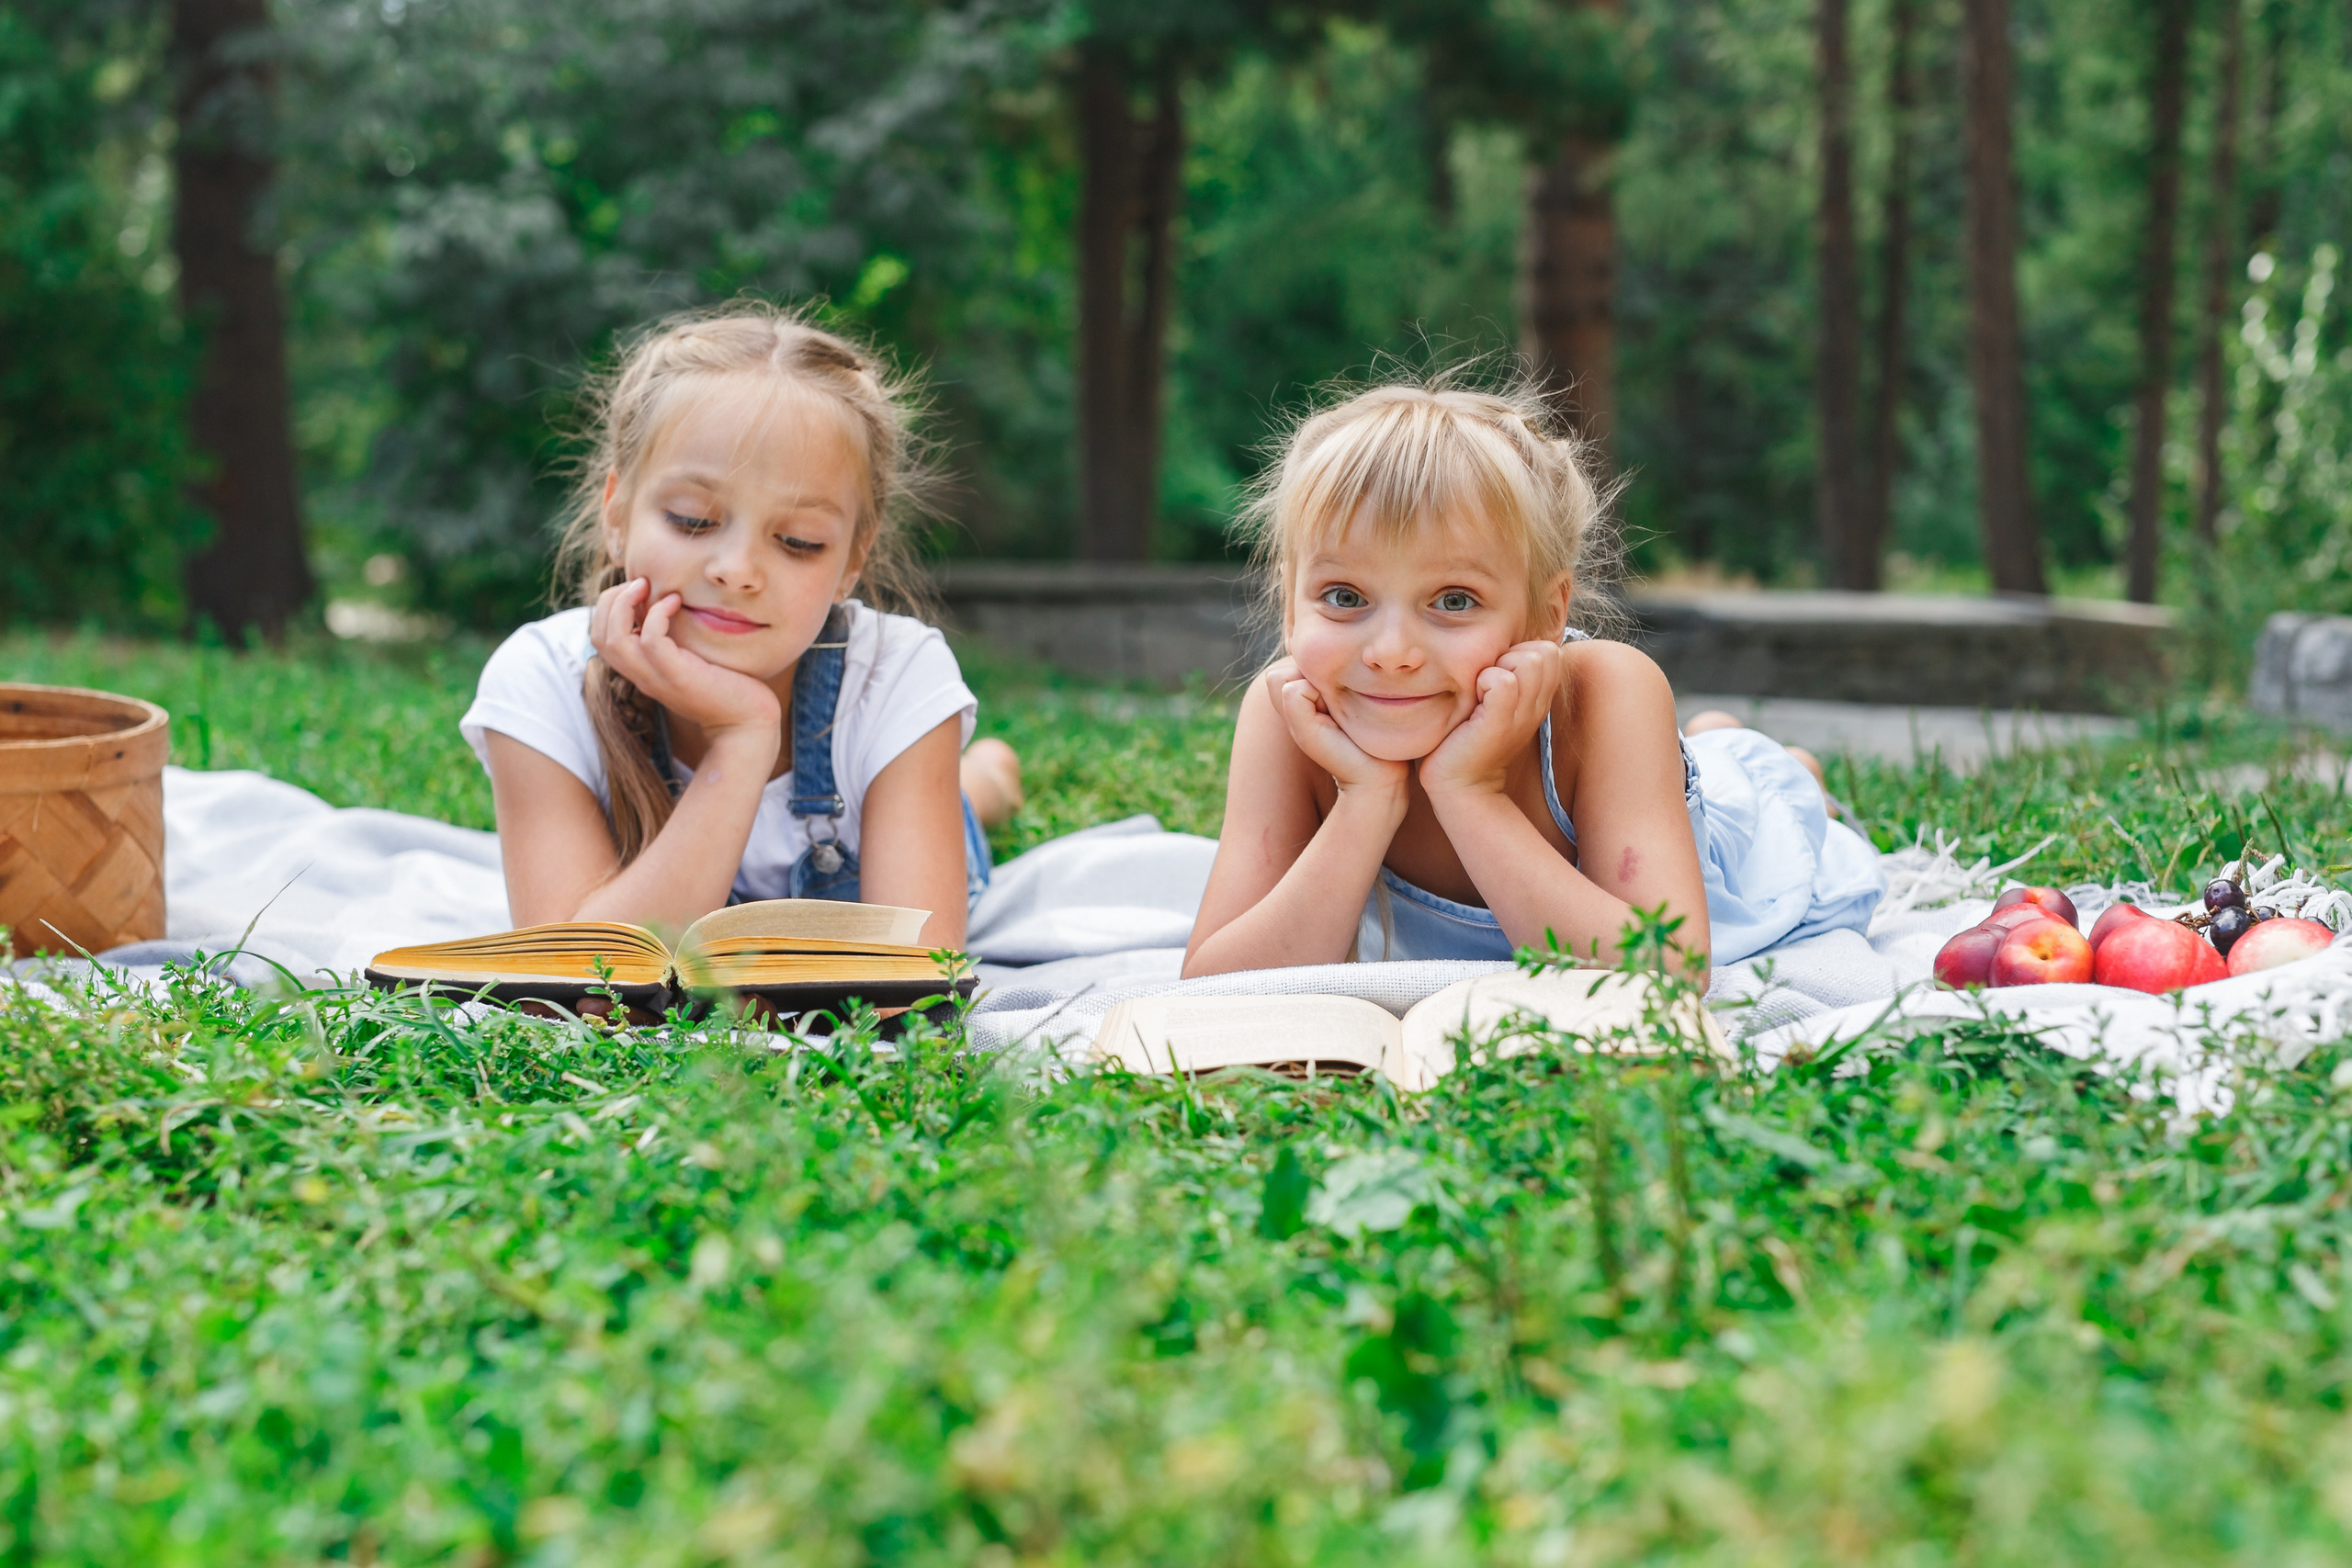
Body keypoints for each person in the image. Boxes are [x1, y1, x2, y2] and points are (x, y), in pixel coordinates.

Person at [1182, 376, 1881, 982]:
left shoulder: (1607, 692)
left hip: (1730, 855)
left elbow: (1667, 969)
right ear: (1289, 604)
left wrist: (1469, 792)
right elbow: (1210, 983)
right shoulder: (1287, 715)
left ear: (1548, 616)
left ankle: (1779, 769)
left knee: (1772, 799)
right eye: (1343, 597)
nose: (1390, 652)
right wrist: (1364, 801)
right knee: (1719, 756)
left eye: (1453, 601)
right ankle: (1721, 745)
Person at [458, 303, 1022, 950]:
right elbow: (580, 973)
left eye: (798, 540)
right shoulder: (541, 678)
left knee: (963, 805)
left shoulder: (896, 678)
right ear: (616, 515)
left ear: (851, 561)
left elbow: (917, 981)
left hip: (907, 803)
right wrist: (743, 739)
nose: (737, 570)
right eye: (693, 519)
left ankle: (985, 781)